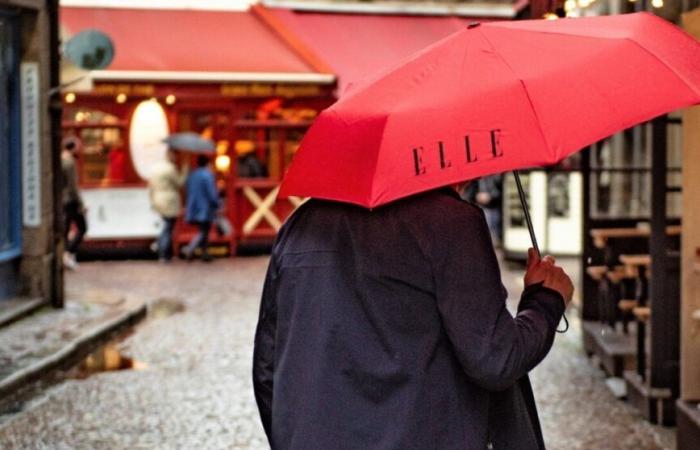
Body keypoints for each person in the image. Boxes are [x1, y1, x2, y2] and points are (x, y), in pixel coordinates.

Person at [253, 185, 573, 449]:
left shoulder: (300, 226)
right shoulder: (450, 223)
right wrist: (545, 300)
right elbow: (494, 358)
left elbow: (268, 366)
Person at [148, 148, 187, 262]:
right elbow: (179, 183)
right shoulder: (170, 169)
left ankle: (163, 249)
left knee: (167, 224)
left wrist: (152, 200)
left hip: (157, 198)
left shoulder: (156, 168)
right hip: (169, 200)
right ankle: (162, 250)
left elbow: (151, 186)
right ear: (170, 155)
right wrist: (185, 170)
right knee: (168, 226)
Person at [183, 154, 219, 262]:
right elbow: (211, 193)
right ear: (208, 164)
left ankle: (204, 253)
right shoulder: (207, 175)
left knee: (203, 231)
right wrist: (216, 203)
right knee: (204, 232)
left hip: (195, 206)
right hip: (205, 207)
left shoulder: (193, 175)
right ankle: (190, 249)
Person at [61, 139, 87, 270]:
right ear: (73, 147)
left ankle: (67, 253)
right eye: (79, 147)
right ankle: (68, 253)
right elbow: (72, 186)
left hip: (63, 200)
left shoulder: (62, 158)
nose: (80, 150)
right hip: (70, 201)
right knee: (82, 227)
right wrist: (81, 204)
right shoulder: (70, 162)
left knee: (66, 229)